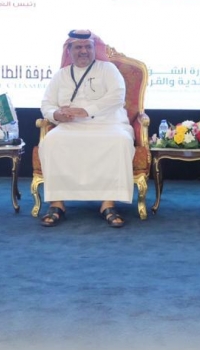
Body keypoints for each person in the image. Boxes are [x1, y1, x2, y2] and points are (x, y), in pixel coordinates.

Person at [38, 29, 134, 228]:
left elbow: (117, 97)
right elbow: (46, 104)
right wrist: (56, 114)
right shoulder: (61, 75)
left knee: (120, 141)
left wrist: (87, 110)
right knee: (51, 141)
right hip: (70, 126)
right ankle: (57, 204)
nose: (83, 51)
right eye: (78, 47)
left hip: (108, 124)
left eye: (88, 47)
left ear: (94, 48)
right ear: (69, 51)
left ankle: (108, 204)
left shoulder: (108, 69)